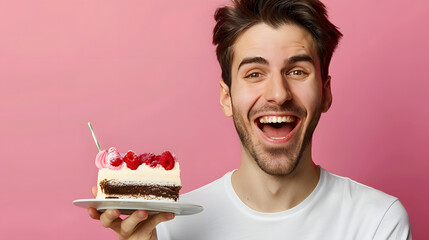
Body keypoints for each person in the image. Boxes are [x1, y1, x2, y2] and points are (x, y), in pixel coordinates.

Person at [88, 0, 412, 239]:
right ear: (227, 97)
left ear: (325, 92)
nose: (278, 94)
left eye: (297, 71)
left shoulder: (377, 222)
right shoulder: (167, 226)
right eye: (255, 73)